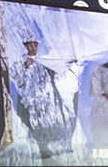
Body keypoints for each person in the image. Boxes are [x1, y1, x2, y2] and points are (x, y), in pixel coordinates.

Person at [9, 28, 78, 159]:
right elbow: (13, 74)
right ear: (26, 46)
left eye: (35, 45)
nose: (34, 48)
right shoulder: (21, 60)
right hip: (32, 98)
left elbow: (56, 68)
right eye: (31, 45)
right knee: (37, 122)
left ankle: (59, 146)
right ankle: (43, 148)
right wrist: (25, 66)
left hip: (48, 96)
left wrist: (69, 63)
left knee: (52, 119)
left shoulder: (43, 59)